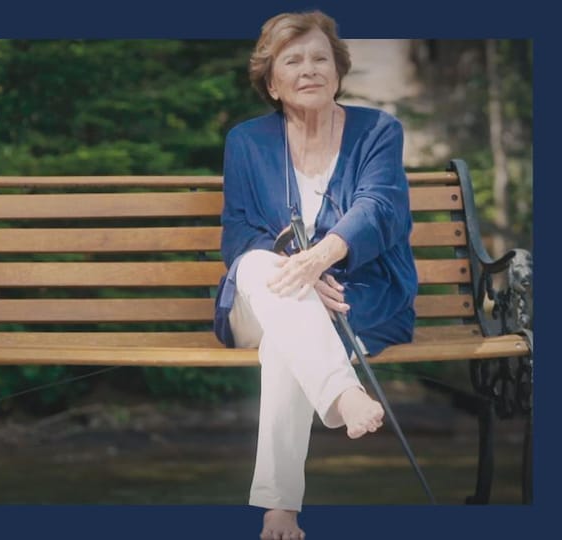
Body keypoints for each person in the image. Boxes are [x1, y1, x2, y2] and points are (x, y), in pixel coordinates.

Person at [212, 10, 419, 540]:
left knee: (288, 339)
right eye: (294, 60)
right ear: (272, 80)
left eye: (320, 58)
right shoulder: (246, 141)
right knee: (259, 266)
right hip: (263, 299)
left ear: (338, 70)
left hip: (360, 300)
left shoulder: (378, 131)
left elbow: (381, 207)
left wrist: (322, 257)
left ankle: (280, 509)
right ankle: (341, 393)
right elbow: (237, 234)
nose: (309, 70)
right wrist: (298, 271)